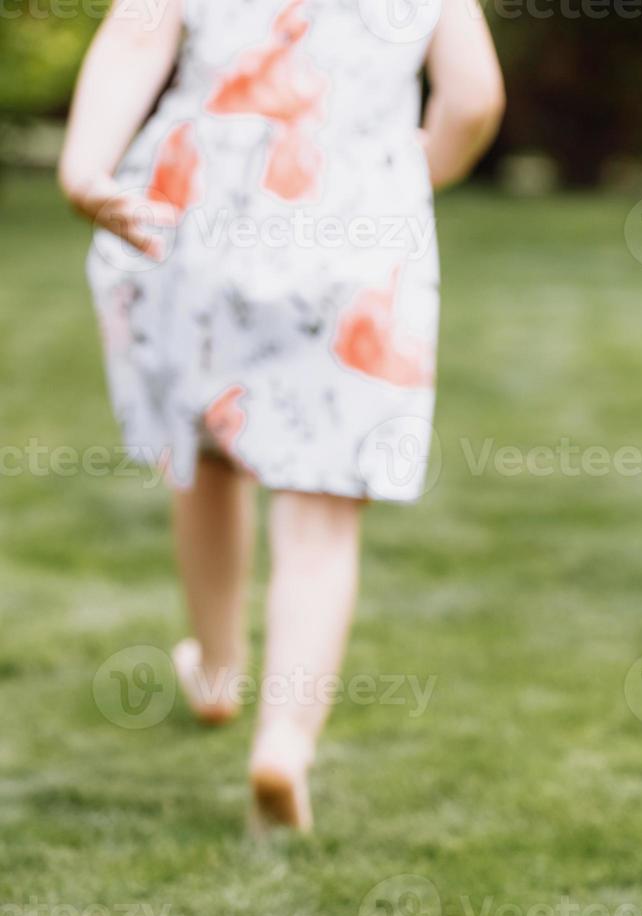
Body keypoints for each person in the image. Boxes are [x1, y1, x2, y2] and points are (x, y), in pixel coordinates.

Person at [58, 0, 503, 832]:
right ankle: (285, 742)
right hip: (354, 223)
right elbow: (473, 97)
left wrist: (86, 169)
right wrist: (416, 168)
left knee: (211, 453)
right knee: (320, 512)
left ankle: (219, 670)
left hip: (203, 217)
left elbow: (133, 38)